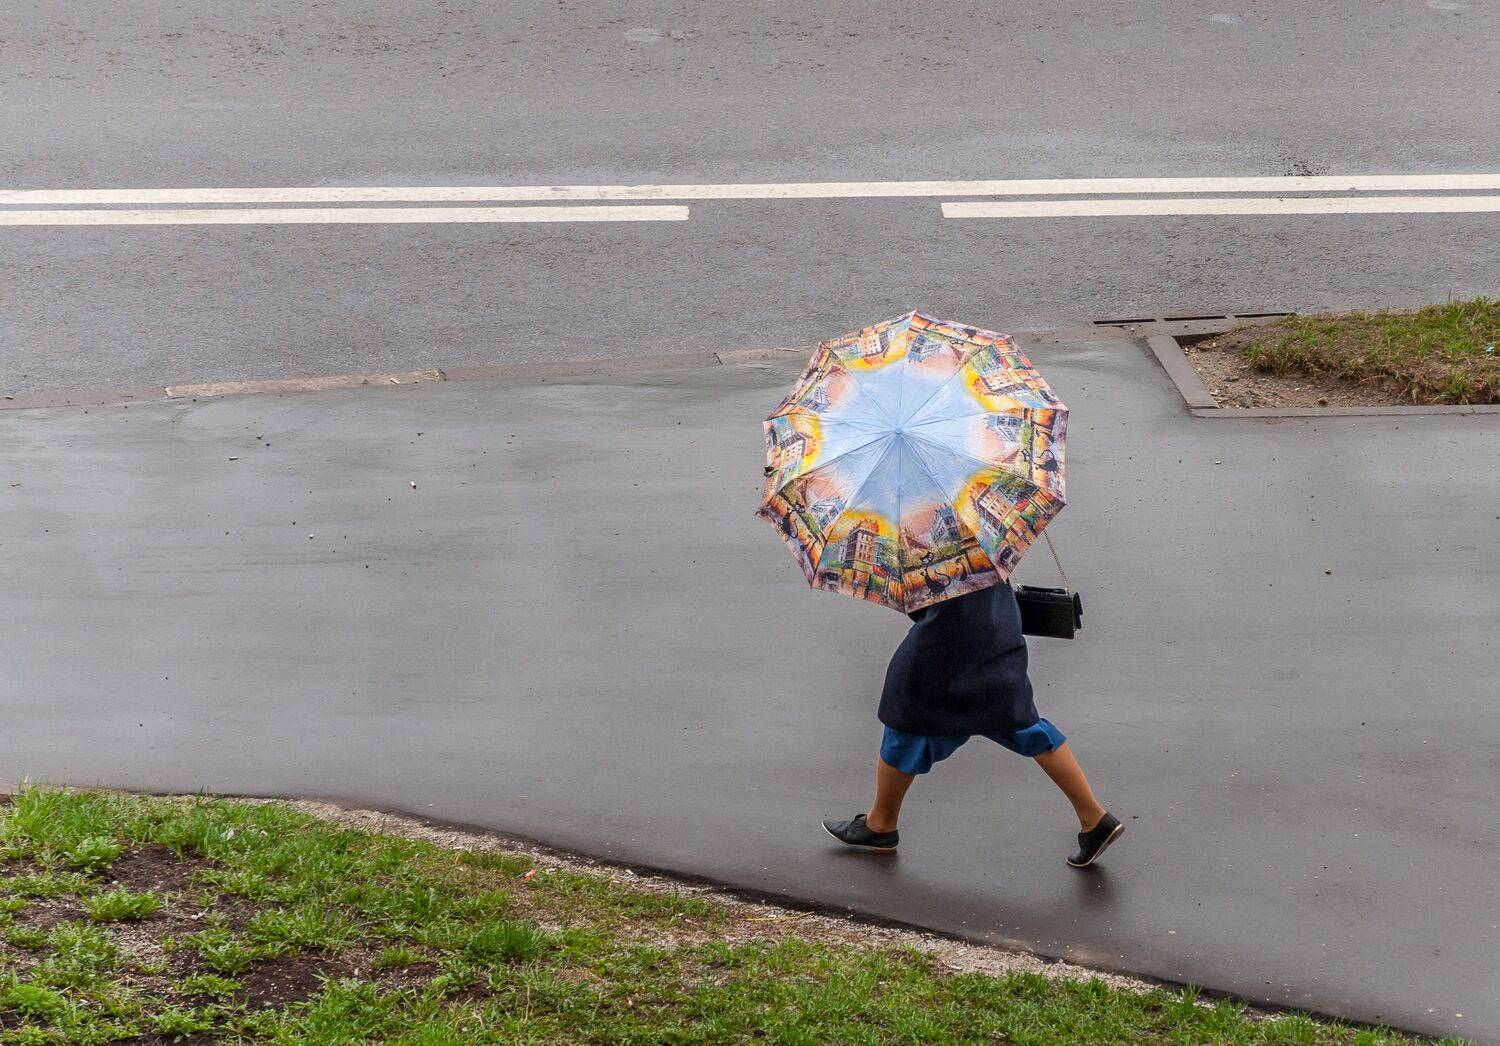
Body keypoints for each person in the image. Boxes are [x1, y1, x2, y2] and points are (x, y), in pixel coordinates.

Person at [822, 579, 1123, 867]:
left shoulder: (924, 542)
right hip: (998, 630)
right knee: (1024, 726)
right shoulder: (978, 535)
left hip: (950, 642)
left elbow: (922, 604)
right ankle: (1094, 817)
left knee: (904, 716)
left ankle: (881, 825)